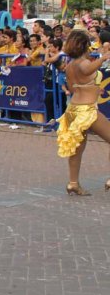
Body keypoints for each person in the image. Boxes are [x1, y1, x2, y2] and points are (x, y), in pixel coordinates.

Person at [56, 30, 110, 196]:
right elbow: (87, 70)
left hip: (73, 109)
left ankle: (73, 183)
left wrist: (93, 89)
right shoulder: (82, 63)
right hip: (86, 110)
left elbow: (73, 88)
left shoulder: (70, 66)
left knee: (77, 149)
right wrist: (103, 57)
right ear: (84, 45)